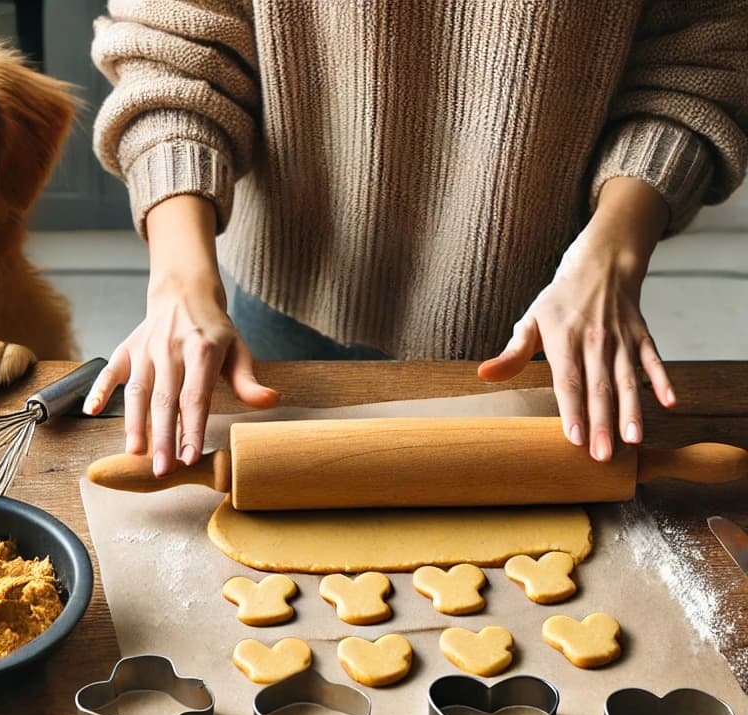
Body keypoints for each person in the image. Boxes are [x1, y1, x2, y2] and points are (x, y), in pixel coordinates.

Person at [82, 3, 748, 477]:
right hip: (284, 295)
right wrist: (179, 283)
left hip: (545, 318)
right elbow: (173, 48)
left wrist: (611, 256)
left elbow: (700, 55)